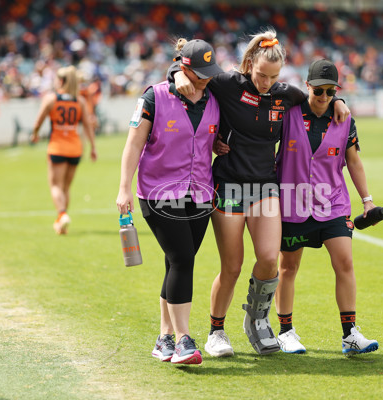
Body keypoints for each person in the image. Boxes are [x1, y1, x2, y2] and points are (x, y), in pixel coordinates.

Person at [170, 28, 350, 357]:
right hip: (229, 184)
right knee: (233, 266)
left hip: (266, 185)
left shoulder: (286, 95)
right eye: (261, 75)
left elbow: (316, 101)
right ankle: (216, 331)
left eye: (273, 77)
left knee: (269, 259)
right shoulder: (228, 85)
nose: (266, 83)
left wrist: (336, 99)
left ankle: (256, 320)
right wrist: (174, 74)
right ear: (250, 63)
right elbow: (194, 73)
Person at [116, 39, 223, 365]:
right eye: (199, 73)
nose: (206, 80)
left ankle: (163, 337)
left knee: (175, 261)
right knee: (182, 259)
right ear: (183, 66)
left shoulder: (215, 99)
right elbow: (133, 145)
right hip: (158, 193)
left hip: (201, 193)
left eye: (209, 73)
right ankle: (183, 340)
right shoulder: (154, 97)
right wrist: (124, 188)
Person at [274, 59, 379, 356]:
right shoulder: (288, 113)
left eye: (330, 91)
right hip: (292, 203)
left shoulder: (345, 119)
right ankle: (286, 332)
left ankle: (350, 334)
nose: (323, 97)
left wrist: (367, 200)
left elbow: (354, 162)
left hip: (332, 203)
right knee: (288, 267)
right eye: (318, 90)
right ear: (307, 86)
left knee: (344, 262)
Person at [31, 65, 97, 234]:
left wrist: (35, 134)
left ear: (61, 80)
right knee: (66, 188)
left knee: (55, 186)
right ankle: (61, 225)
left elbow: (38, 121)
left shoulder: (51, 99)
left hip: (57, 147)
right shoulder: (79, 101)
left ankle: (62, 214)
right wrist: (93, 147)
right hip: (75, 147)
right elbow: (88, 126)